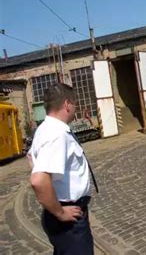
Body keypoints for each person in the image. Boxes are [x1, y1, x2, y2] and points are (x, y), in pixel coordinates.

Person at [28, 83, 98, 254]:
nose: (75, 107)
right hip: (68, 220)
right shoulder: (57, 134)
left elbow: (30, 156)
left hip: (62, 214)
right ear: (67, 104)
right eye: (74, 103)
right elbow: (38, 180)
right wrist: (60, 213)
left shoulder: (44, 129)